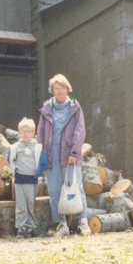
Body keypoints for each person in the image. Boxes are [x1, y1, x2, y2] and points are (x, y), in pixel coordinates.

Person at [36, 74, 90, 236]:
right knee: (54, 191)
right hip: (51, 154)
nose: (59, 91)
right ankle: (62, 225)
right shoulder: (46, 108)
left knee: (76, 188)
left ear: (68, 89)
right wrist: (42, 154)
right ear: (52, 90)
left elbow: (80, 132)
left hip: (69, 154)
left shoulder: (75, 108)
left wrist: (74, 152)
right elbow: (40, 133)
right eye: (56, 88)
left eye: (62, 88)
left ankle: (83, 223)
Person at [7, 117, 47, 239]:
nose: (25, 134)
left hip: (32, 179)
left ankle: (31, 226)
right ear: (19, 132)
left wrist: (38, 173)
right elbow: (10, 160)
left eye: (28, 131)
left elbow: (43, 162)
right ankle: (21, 227)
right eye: (23, 131)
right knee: (21, 204)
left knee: (31, 203)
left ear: (33, 133)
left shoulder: (38, 147)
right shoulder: (15, 147)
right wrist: (11, 170)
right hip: (19, 179)